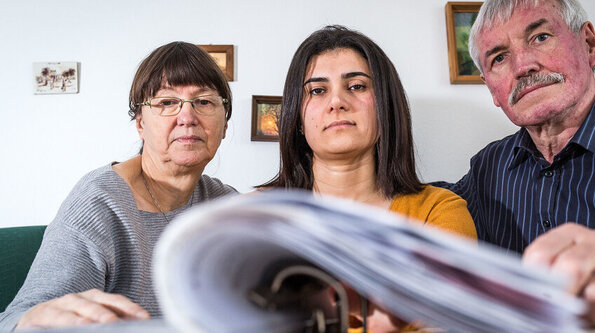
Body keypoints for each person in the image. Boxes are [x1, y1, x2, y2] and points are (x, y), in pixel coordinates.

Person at [432, 0, 595, 327]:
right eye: (499, 57)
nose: (522, 66)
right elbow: (421, 204)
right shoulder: (488, 166)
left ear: (589, 44)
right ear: (493, 91)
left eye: (540, 37)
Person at [0, 41, 237, 330]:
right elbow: (17, 318)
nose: (187, 118)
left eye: (204, 102)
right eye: (166, 103)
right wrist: (30, 322)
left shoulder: (228, 206)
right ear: (140, 123)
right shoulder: (99, 201)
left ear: (224, 124)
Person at [261, 25, 477, 332]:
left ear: (385, 107)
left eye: (357, 86)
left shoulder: (439, 212)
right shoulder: (255, 215)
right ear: (296, 117)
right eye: (318, 91)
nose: (337, 102)